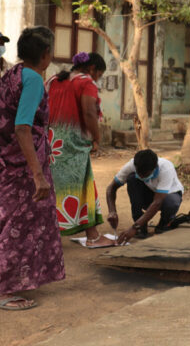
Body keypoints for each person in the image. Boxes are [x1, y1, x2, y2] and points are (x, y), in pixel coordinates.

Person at [0, 26, 65, 310]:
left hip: (0, 166)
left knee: (10, 224)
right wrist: (37, 175)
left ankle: (16, 280)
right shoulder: (32, 79)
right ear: (46, 55)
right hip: (20, 169)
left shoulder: (10, 76)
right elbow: (22, 127)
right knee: (17, 226)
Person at [47, 51, 113, 246]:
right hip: (72, 144)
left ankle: (48, 237)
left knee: (53, 187)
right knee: (83, 185)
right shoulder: (86, 83)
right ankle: (92, 237)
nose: (97, 79)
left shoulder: (53, 80)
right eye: (99, 75)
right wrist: (97, 139)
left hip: (51, 143)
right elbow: (89, 111)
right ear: (92, 69)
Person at [105, 149, 184, 243]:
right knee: (132, 179)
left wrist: (133, 228)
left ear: (154, 168)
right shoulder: (132, 164)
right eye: (139, 173)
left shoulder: (166, 168)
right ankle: (141, 227)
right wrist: (112, 211)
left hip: (167, 196)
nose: (141, 176)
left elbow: (157, 202)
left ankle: (164, 224)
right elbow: (111, 188)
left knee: (172, 202)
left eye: (145, 174)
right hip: (149, 196)